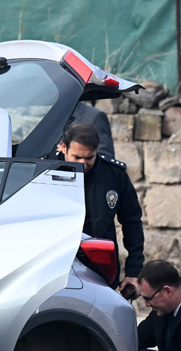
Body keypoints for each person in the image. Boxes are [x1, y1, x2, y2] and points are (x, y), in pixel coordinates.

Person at [57, 122, 143, 297]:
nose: (83, 163)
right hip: (57, 268)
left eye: (89, 157)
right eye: (77, 157)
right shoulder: (46, 172)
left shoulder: (114, 175)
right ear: (64, 148)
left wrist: (134, 272)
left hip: (100, 269)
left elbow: (132, 224)